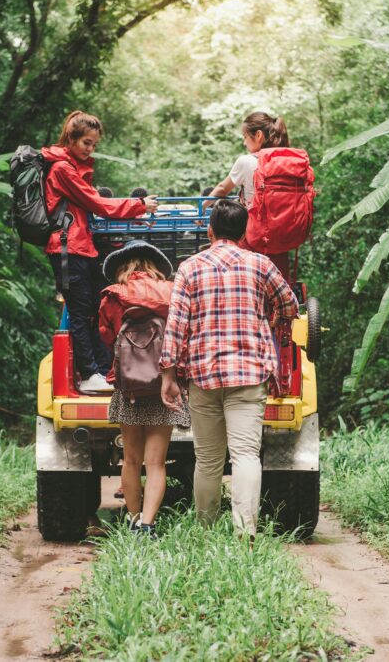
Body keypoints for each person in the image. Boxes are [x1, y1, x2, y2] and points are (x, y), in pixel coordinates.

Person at [159, 200, 299, 537]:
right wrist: (270, 314)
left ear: (210, 231)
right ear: (245, 231)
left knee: (207, 459)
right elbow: (291, 305)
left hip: (203, 376)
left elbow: (176, 323)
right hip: (250, 374)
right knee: (246, 454)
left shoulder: (190, 267)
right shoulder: (260, 265)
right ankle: (245, 531)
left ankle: (206, 530)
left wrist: (168, 374)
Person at [43, 111, 159, 393]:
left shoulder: (70, 167)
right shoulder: (62, 170)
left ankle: (100, 369)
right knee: (80, 312)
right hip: (68, 248)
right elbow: (98, 203)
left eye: (94, 144)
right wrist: (139, 205)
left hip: (80, 246)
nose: (90, 149)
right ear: (70, 138)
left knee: (94, 307)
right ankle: (88, 374)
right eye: (86, 142)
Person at [99, 240, 190, 536]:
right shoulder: (170, 291)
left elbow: (107, 336)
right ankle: (149, 525)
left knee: (131, 459)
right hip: (164, 384)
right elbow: (181, 334)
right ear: (154, 266)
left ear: (123, 266)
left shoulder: (114, 295)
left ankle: (133, 518)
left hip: (129, 388)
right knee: (156, 463)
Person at [203, 111, 292, 278]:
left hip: (254, 238)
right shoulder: (287, 163)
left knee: (248, 284)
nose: (244, 142)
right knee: (279, 285)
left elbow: (223, 188)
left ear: (258, 135)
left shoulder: (247, 161)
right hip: (282, 238)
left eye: (245, 136)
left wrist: (203, 205)